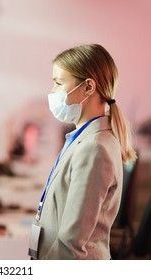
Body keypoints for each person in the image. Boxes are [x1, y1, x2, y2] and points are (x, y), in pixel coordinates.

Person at [28, 44, 137, 260]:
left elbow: (71, 243)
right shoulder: (82, 138)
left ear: (88, 87)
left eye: (59, 84)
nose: (52, 93)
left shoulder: (94, 148)